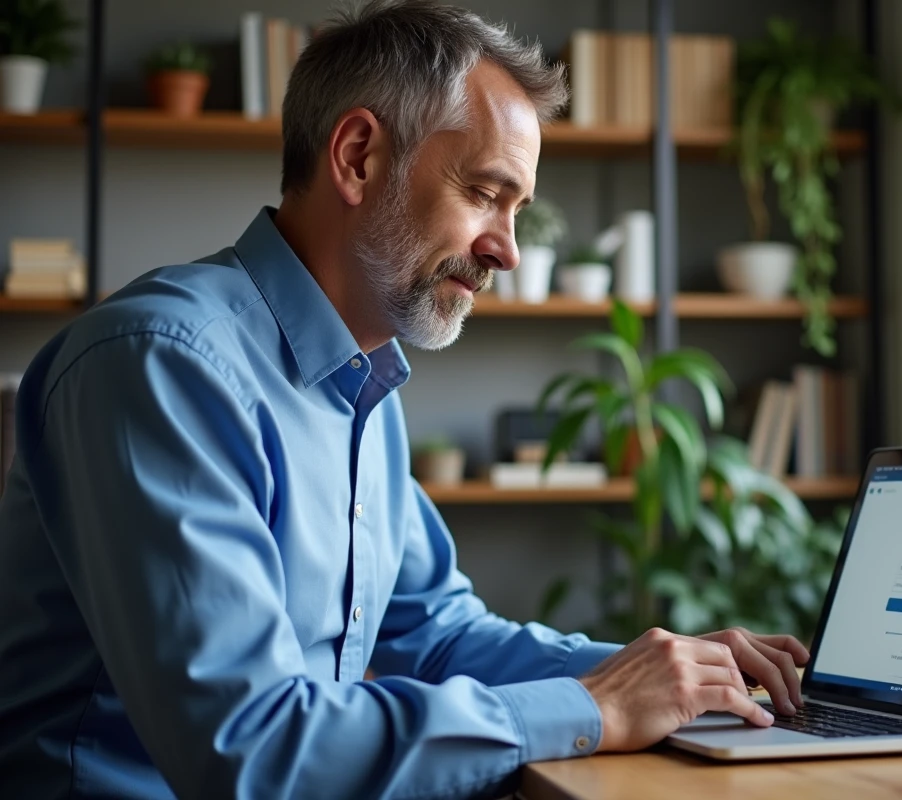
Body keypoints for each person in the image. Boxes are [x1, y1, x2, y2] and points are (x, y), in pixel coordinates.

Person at [0, 2, 810, 797]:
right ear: (357, 156)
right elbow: (249, 754)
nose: (509, 250)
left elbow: (438, 633)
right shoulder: (161, 367)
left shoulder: (365, 382)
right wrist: (593, 706)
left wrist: (671, 671)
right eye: (486, 194)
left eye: (517, 210)